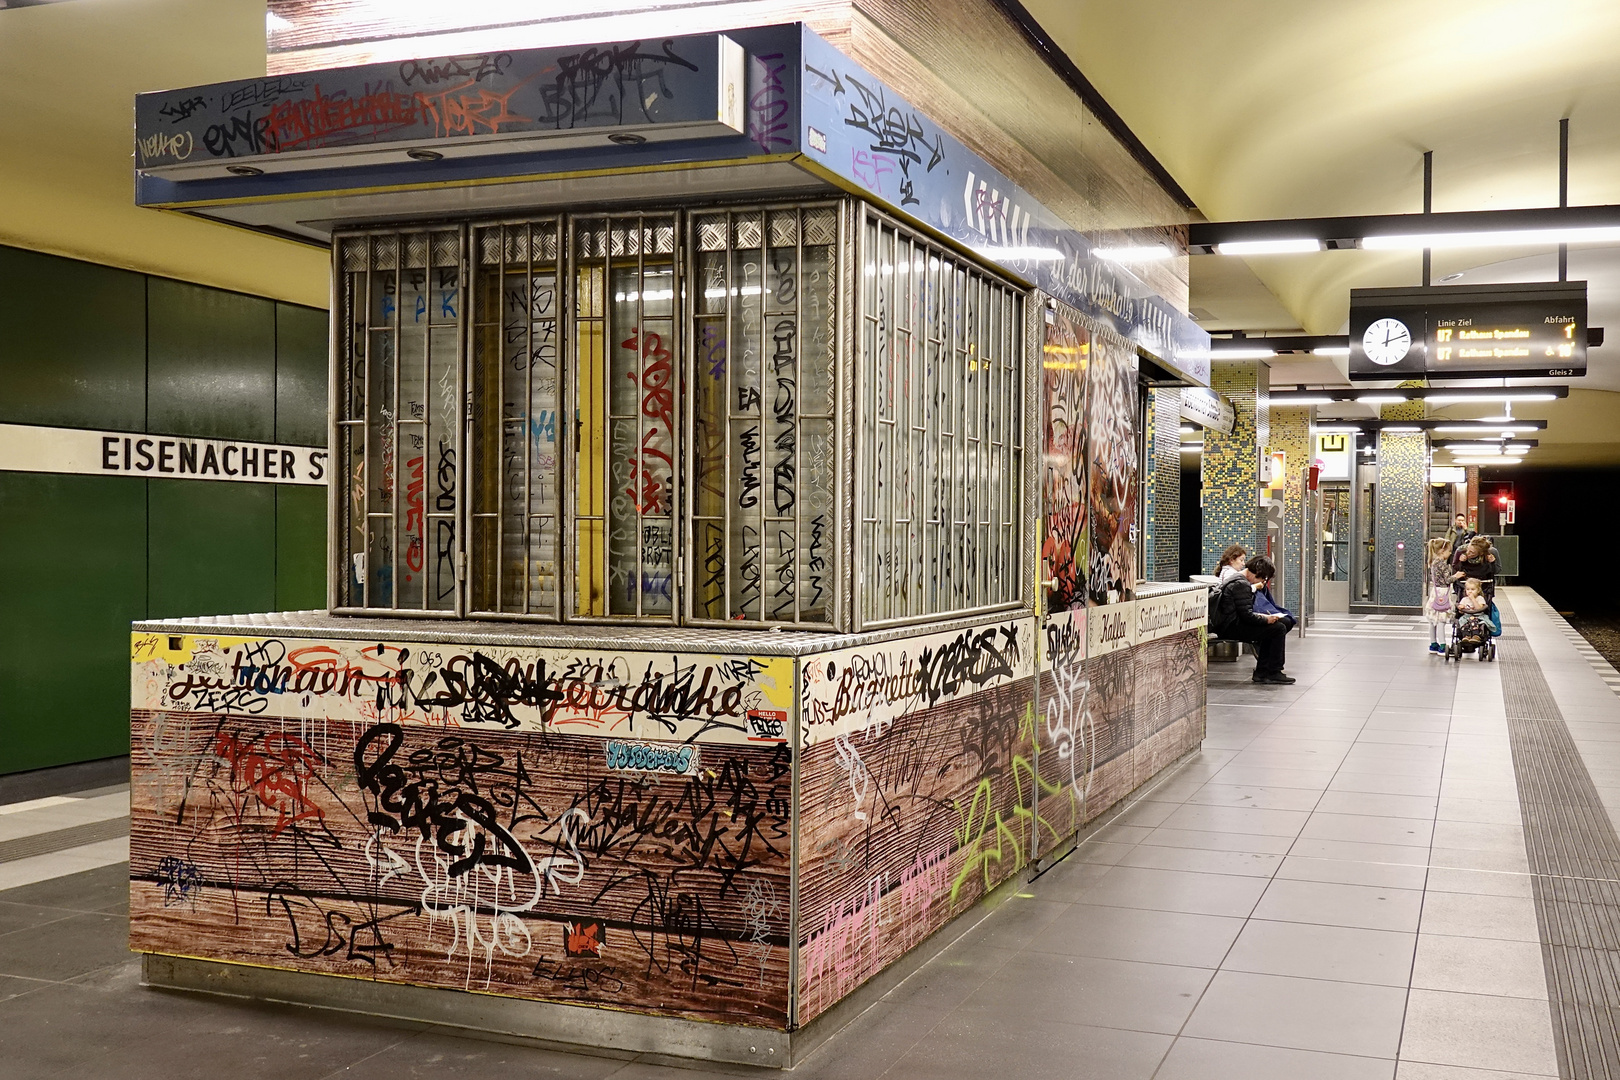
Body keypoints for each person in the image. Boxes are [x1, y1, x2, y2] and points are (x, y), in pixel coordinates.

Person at [1212, 555, 1294, 684]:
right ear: (1257, 573)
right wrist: (1266, 619)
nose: (1261, 581)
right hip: (1231, 627)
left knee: (1278, 625)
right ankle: (1272, 671)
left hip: (1231, 622)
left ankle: (1263, 671)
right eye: (1262, 578)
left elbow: (1244, 613)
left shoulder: (1238, 580)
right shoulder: (1241, 584)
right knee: (1278, 628)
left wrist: (1266, 618)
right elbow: (1247, 616)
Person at [1424, 537, 1453, 653]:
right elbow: (1447, 580)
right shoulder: (1442, 564)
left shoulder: (1433, 562)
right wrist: (1457, 576)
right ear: (1442, 551)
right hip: (1442, 593)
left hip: (1435, 592)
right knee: (1441, 620)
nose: (1450, 553)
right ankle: (1442, 646)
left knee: (1432, 620)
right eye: (1449, 550)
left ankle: (1433, 644)